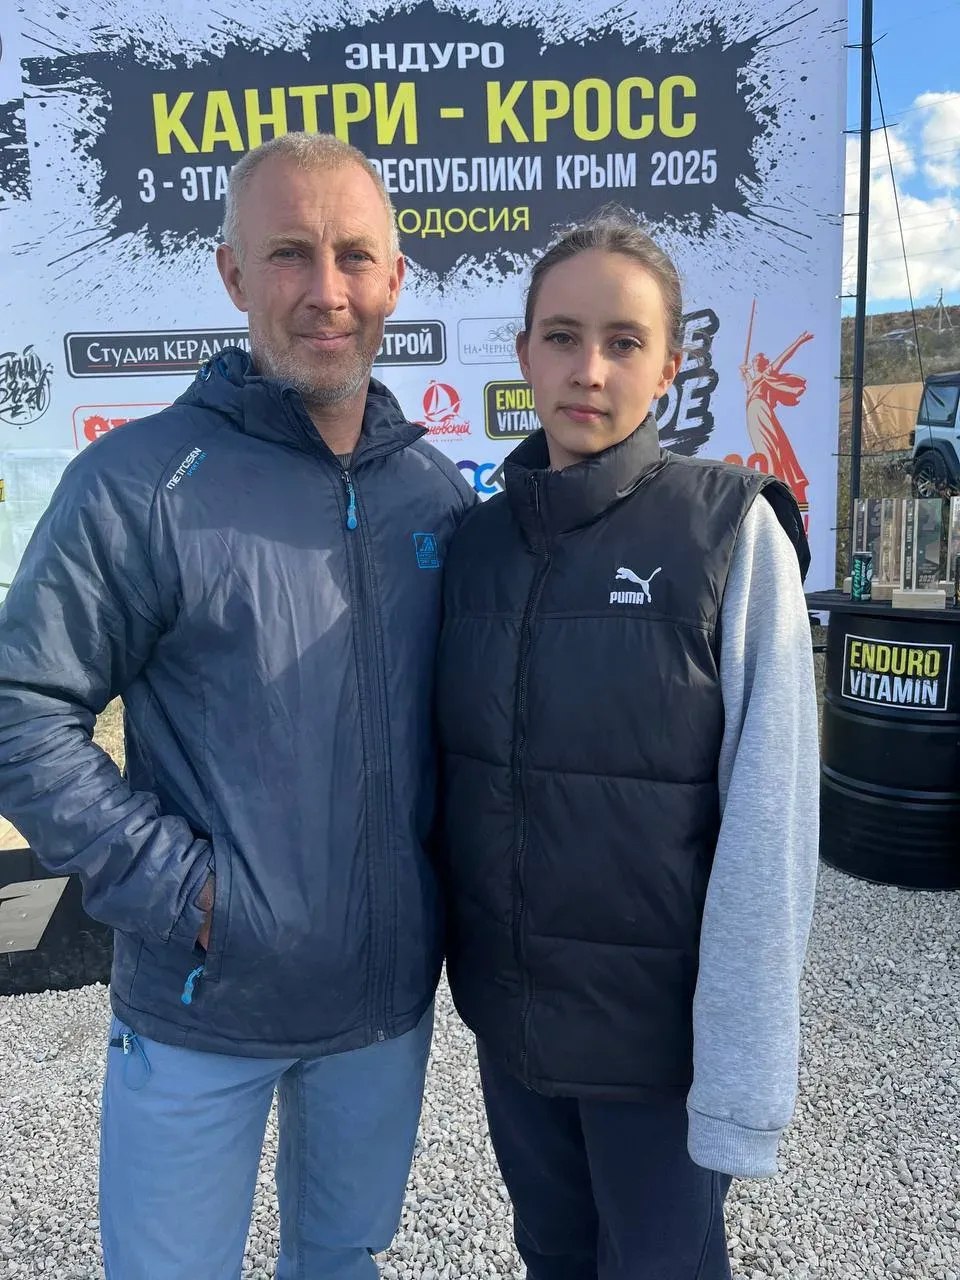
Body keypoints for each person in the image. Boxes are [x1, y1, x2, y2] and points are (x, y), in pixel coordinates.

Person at [0, 132, 474, 1279]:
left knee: (342, 1263)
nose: (326, 290)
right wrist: (192, 893)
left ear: (395, 279)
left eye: (353, 256)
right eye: (289, 253)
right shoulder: (140, 484)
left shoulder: (436, 496)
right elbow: (22, 709)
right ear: (231, 274)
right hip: (201, 1005)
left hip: (379, 1014)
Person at [436, 215, 819, 1280]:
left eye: (623, 341)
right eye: (562, 336)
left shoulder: (728, 533)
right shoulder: (475, 547)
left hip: (660, 1054)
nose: (589, 370)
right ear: (524, 353)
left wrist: (742, 1082)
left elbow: (773, 823)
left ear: (669, 365)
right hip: (516, 1031)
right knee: (553, 1256)